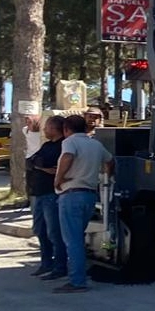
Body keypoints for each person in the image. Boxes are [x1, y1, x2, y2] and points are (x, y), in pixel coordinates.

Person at [52, 113, 113, 293]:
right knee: (78, 237)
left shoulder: (69, 142)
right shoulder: (96, 144)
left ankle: (77, 281)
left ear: (66, 129)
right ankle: (78, 276)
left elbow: (67, 157)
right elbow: (110, 161)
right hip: (89, 195)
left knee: (73, 240)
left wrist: (58, 179)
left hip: (71, 194)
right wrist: (106, 176)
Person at [26, 116, 66, 280]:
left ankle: (60, 266)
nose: (44, 130)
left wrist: (41, 165)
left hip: (52, 193)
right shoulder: (46, 145)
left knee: (54, 232)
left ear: (54, 129)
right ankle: (46, 263)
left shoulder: (63, 145)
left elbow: (52, 166)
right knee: (40, 230)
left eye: (47, 127)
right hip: (38, 193)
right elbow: (32, 161)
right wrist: (40, 166)